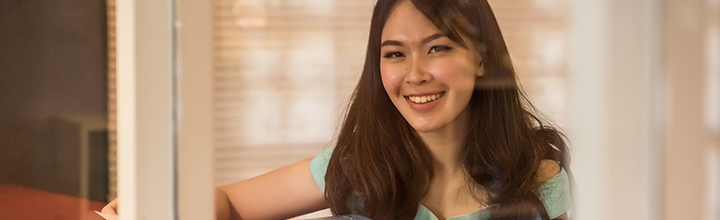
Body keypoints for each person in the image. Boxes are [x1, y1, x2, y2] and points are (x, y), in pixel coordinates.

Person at [103, 0, 572, 219]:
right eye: (394, 53)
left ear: (483, 57)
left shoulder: (539, 178)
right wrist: (157, 207)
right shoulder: (358, 162)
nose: (414, 74)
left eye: (437, 48)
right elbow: (228, 205)